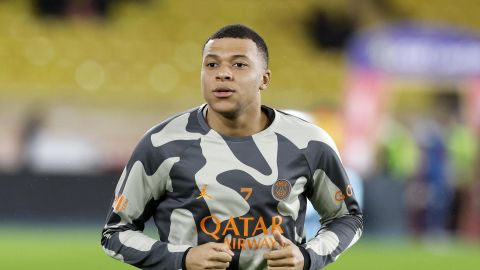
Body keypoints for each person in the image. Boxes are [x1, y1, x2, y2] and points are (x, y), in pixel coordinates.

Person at [101, 24, 363, 270]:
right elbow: (115, 233)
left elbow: (346, 218)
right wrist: (182, 258)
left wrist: (308, 257)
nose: (222, 73)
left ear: (264, 78)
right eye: (211, 64)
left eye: (239, 64)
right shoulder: (162, 143)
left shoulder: (309, 143)